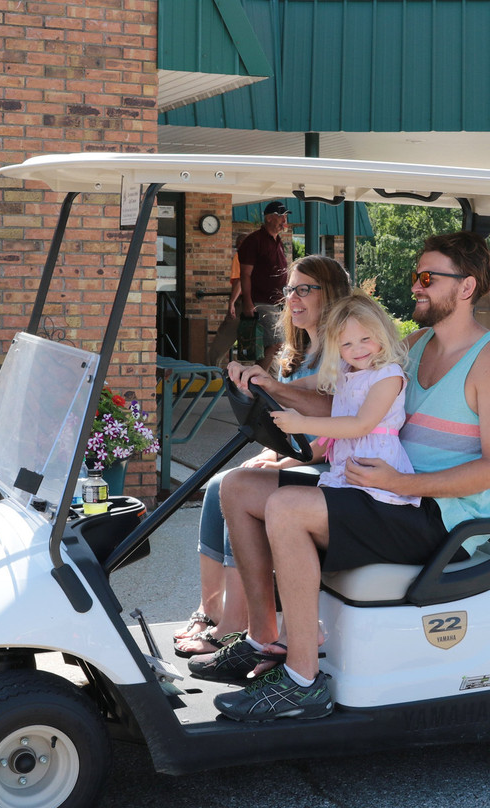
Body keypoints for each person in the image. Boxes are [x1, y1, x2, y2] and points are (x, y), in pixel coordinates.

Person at [199, 231, 490, 722]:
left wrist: (402, 483)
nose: (416, 287)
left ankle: (303, 680)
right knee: (239, 488)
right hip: (380, 492)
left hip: (438, 517)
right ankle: (263, 641)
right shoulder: (412, 347)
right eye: (417, 276)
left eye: (427, 278)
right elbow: (345, 406)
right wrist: (275, 389)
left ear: (465, 288)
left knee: (286, 509)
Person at [172, 255, 351, 657]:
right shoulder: (302, 351)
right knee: (221, 483)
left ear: (332, 295)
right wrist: (270, 453)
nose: (293, 299)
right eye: (290, 290)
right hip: (305, 456)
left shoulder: (343, 352)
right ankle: (213, 608)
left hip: (327, 464)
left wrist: (280, 462)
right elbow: (286, 422)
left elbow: (331, 429)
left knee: (238, 487)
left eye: (305, 289)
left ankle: (239, 622)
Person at [271, 289, 420, 508]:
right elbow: (308, 383)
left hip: (373, 470)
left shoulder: (388, 374)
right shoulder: (343, 368)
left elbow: (361, 425)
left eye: (365, 339)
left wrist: (302, 424)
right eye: (346, 344)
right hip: (346, 465)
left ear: (381, 334)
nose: (357, 349)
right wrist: (272, 389)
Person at [238, 201, 291, 369]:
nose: (284, 220)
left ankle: (268, 387)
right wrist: (247, 302)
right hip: (261, 302)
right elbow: (245, 274)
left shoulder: (278, 242)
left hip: (279, 303)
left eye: (285, 216)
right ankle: (255, 382)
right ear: (268, 218)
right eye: (280, 216)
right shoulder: (254, 241)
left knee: (278, 347)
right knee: (276, 343)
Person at [205, 233, 245, 366]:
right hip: (258, 301)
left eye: (237, 244)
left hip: (242, 302)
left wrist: (232, 302)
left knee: (225, 335)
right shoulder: (257, 257)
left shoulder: (241, 255)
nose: (236, 247)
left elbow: (240, 280)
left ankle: (212, 369)